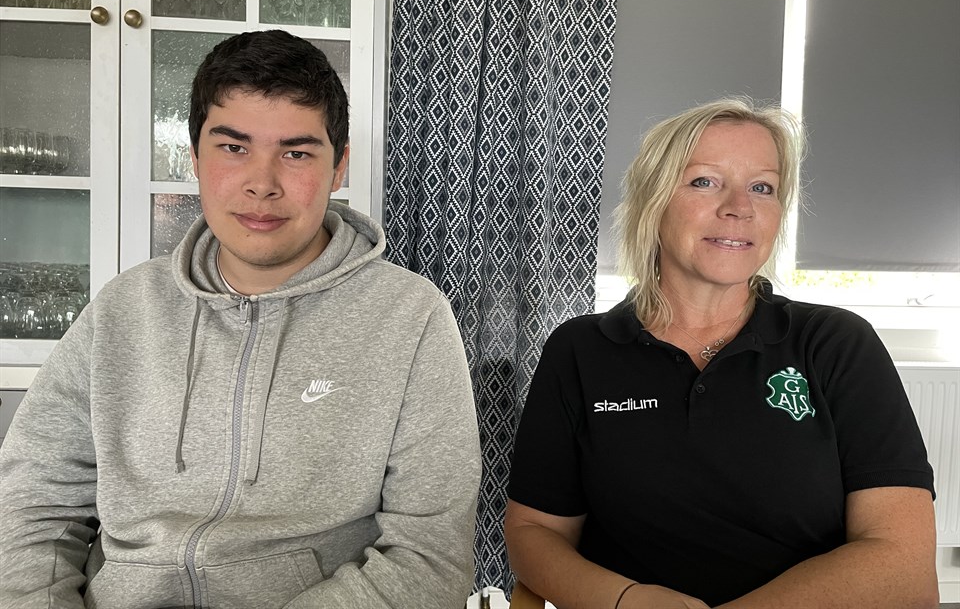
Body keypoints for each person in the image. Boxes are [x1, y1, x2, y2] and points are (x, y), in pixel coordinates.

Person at [0, 30, 481, 609]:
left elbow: (430, 558)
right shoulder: (123, 309)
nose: (262, 184)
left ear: (338, 167)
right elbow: (31, 504)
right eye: (233, 148)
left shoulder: (411, 317)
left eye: (296, 153)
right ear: (195, 158)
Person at [504, 98, 939, 608]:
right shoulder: (580, 350)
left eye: (763, 187)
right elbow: (535, 531)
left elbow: (902, 564)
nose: (740, 207)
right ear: (653, 200)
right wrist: (625, 600)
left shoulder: (836, 343)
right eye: (705, 181)